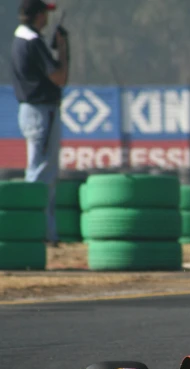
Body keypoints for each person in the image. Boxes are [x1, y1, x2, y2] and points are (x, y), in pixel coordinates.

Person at [11, 0, 68, 246]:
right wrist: (64, 50)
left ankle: (43, 232)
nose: (46, 18)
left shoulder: (23, 39)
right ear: (37, 15)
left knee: (41, 170)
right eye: (44, 13)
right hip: (41, 111)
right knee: (41, 172)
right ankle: (39, 233)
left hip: (34, 110)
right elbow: (59, 77)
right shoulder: (32, 41)